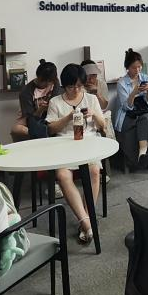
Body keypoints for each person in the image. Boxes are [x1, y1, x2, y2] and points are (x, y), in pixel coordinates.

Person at [45, 63, 105, 244]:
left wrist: (94, 115)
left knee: (94, 171)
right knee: (63, 175)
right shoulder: (56, 102)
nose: (76, 90)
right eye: (72, 86)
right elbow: (51, 129)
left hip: (89, 143)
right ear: (64, 85)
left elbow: (103, 126)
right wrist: (68, 117)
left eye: (80, 86)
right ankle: (86, 223)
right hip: (64, 144)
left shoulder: (91, 99)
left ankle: (86, 219)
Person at [115, 48, 148, 172]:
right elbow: (126, 106)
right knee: (147, 121)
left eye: (139, 67)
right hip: (128, 116)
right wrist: (134, 92)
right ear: (127, 68)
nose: (137, 70)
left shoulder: (145, 78)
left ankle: (142, 155)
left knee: (147, 119)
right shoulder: (121, 83)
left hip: (144, 112)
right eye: (134, 67)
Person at [11, 60, 62, 140]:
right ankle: (43, 134)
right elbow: (29, 118)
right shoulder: (26, 92)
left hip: (51, 118)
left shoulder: (55, 83)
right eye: (43, 81)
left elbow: (57, 104)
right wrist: (40, 110)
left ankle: (43, 134)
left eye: (51, 82)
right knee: (16, 129)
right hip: (32, 120)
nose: (48, 84)